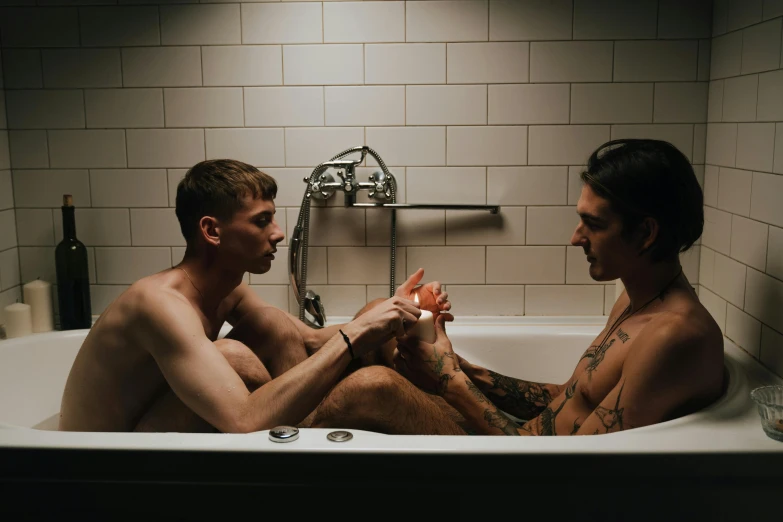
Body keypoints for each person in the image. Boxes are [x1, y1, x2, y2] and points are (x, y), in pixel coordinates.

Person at [348, 138, 725, 436]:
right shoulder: (636, 297)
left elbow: (577, 471)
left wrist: (449, 381)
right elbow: (566, 400)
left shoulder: (675, 337)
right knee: (379, 316)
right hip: (525, 447)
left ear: (645, 232)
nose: (576, 238)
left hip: (533, 480)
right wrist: (458, 366)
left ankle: (292, 451)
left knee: (373, 388)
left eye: (593, 223)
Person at [58, 159, 461, 434]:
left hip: (150, 442)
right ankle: (308, 435)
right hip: (105, 464)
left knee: (275, 326)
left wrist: (392, 313)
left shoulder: (226, 289)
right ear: (212, 231)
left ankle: (304, 436)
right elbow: (242, 419)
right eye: (261, 220)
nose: (279, 232)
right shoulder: (161, 305)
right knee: (233, 357)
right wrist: (356, 336)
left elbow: (307, 339)